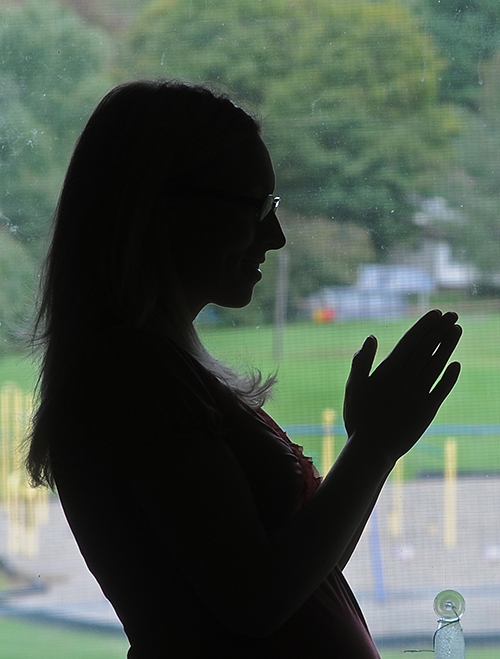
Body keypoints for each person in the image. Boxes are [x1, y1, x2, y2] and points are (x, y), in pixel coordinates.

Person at [25, 80, 462, 658]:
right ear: (159, 206)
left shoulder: (153, 368)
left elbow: (308, 572)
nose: (275, 236)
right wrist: (375, 446)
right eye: (252, 206)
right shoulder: (132, 375)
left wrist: (369, 446)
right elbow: (256, 601)